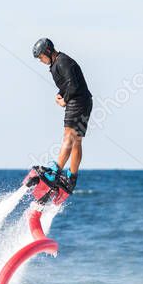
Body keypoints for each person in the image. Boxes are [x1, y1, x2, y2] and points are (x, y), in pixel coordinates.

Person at [32, 37, 92, 194]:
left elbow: (73, 85)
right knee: (76, 140)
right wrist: (60, 95)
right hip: (80, 101)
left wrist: (64, 100)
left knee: (69, 137)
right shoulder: (55, 64)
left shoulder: (62, 61)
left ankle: (56, 172)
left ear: (47, 52)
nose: (40, 60)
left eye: (40, 57)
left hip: (78, 102)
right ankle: (71, 178)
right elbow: (67, 85)